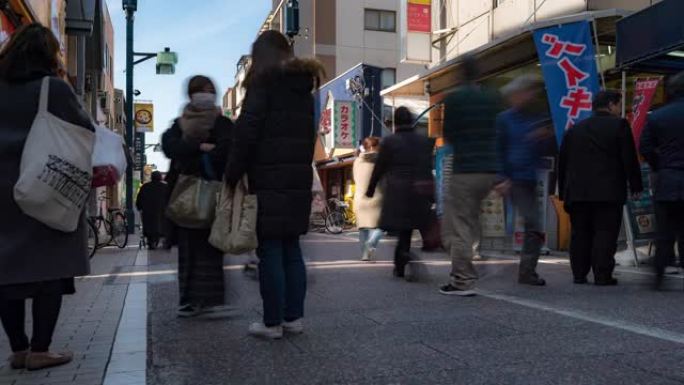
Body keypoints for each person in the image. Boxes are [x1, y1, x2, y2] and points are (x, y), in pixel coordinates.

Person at [0, 24, 91, 370]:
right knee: (50, 266)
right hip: (43, 184)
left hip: (3, 191)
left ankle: (19, 348)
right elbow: (84, 129)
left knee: (5, 267)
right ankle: (41, 348)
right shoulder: (52, 89)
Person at [226, 30, 324, 339]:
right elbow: (309, 139)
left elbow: (246, 133)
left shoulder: (262, 85)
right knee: (292, 249)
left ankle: (272, 323)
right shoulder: (304, 89)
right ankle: (293, 318)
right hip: (297, 179)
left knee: (270, 250)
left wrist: (232, 174)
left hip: (268, 179)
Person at [162, 75, 232, 317]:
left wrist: (192, 152)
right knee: (189, 250)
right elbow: (169, 146)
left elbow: (228, 148)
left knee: (212, 247)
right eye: (202, 90)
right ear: (191, 94)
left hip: (213, 194)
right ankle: (189, 301)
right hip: (185, 196)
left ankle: (211, 300)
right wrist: (201, 148)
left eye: (211, 90)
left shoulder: (222, 122)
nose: (207, 94)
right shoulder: (179, 123)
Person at [559, 90, 643, 286]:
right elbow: (629, 159)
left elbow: (564, 162)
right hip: (608, 191)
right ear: (611, 104)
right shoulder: (619, 125)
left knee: (580, 232)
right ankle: (602, 274)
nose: (619, 109)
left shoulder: (573, 130)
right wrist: (636, 185)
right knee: (605, 232)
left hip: (578, 192)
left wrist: (563, 191)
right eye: (619, 104)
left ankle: (579, 274)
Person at [439, 56, 503, 296]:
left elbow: (450, 135)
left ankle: (462, 280)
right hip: (488, 171)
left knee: (458, 227)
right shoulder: (491, 98)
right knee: (472, 220)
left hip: (465, 169)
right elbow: (498, 132)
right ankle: (470, 265)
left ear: (460, 75)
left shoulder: (455, 99)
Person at [494, 76, 554, 286]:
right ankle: (527, 271)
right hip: (514, 179)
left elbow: (546, 148)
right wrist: (501, 177)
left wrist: (543, 138)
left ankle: (527, 270)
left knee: (532, 224)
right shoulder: (504, 119)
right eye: (523, 93)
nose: (527, 96)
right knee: (534, 224)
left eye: (529, 93)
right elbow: (498, 149)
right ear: (513, 96)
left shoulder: (537, 117)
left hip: (529, 177)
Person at [366, 107, 434, 278]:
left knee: (403, 229)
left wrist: (371, 188)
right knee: (409, 227)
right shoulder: (423, 141)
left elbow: (379, 167)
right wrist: (432, 194)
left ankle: (402, 260)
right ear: (411, 121)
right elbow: (427, 168)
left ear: (396, 122)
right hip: (418, 191)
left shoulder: (389, 142)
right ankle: (403, 259)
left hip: (397, 191)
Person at [640, 72, 684, 290]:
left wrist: (660, 164)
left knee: (665, 229)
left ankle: (658, 274)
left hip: (666, 178)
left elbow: (645, 146)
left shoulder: (657, 116)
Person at [353, 137, 384, 262]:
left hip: (360, 198)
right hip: (378, 197)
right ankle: (371, 244)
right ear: (373, 147)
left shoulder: (357, 161)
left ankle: (365, 255)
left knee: (363, 228)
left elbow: (356, 178)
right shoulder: (381, 161)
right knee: (380, 226)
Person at [136, 171, 168, 249]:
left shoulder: (145, 187)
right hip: (161, 211)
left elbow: (139, 199)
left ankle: (151, 242)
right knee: (160, 226)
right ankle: (157, 240)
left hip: (147, 212)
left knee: (149, 227)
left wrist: (139, 207)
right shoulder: (165, 187)